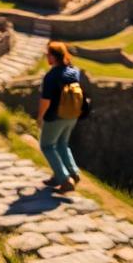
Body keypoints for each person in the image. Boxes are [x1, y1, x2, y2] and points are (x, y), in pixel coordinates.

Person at [37, 41, 84, 193]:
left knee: (47, 146)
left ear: (53, 57)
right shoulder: (73, 71)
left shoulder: (51, 76)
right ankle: (72, 173)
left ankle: (64, 179)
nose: (46, 57)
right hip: (72, 114)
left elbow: (46, 101)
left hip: (55, 116)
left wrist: (40, 117)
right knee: (62, 144)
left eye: (48, 54)